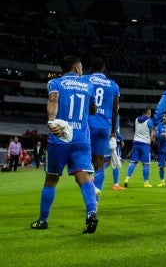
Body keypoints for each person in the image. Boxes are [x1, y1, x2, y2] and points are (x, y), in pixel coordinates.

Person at [31, 55, 99, 233]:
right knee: (83, 176)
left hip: (60, 137)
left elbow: (53, 101)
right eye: (81, 67)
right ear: (77, 68)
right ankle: (91, 212)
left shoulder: (56, 83)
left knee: (51, 178)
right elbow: (93, 109)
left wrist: (51, 121)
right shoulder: (88, 84)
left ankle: (43, 220)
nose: (82, 70)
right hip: (81, 139)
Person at [82, 58, 120, 198]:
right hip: (104, 126)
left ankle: (89, 196)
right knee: (99, 163)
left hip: (86, 124)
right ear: (104, 69)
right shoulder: (113, 85)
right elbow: (115, 110)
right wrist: (113, 131)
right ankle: (96, 198)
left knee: (84, 161)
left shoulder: (85, 79)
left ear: (91, 68)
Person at [124, 106, 155, 188]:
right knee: (146, 164)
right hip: (145, 144)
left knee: (133, 162)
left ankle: (127, 178)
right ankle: (146, 182)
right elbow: (151, 132)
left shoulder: (136, 119)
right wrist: (152, 139)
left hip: (136, 142)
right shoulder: (149, 121)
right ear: (149, 113)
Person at [155, 115, 166, 187]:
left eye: (165, 116)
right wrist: (161, 135)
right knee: (161, 167)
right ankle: (162, 181)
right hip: (162, 149)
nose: (164, 118)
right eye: (163, 116)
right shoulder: (159, 126)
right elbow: (156, 136)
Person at [109, 115, 126, 190]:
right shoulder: (116, 115)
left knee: (105, 162)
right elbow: (115, 129)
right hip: (114, 141)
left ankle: (94, 178)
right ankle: (116, 184)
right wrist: (121, 139)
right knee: (116, 163)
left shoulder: (108, 113)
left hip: (106, 140)